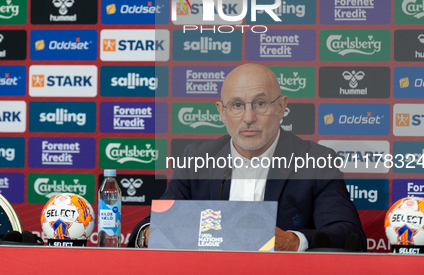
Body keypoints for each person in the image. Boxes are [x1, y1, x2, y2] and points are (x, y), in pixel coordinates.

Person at [127, 63, 366, 251]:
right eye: (237, 105)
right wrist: (153, 233)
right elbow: (149, 227)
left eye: (260, 103)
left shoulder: (315, 161)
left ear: (281, 108)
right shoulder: (197, 159)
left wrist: (295, 242)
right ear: (222, 112)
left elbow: (350, 235)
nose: (249, 117)